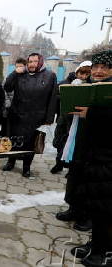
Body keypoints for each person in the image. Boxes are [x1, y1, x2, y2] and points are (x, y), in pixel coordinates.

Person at [67, 50, 112, 267]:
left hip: (108, 159)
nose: (99, 71)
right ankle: (96, 244)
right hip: (94, 156)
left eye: (104, 67)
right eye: (96, 67)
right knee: (96, 206)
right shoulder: (94, 88)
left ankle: (103, 253)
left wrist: (90, 114)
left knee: (105, 208)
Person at [2, 53, 58, 178]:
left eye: (35, 61)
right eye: (30, 61)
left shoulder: (50, 76)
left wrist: (49, 118)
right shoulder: (20, 74)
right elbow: (7, 87)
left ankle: (26, 167)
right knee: (14, 141)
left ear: (41, 62)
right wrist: (14, 73)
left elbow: (53, 98)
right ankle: (11, 162)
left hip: (35, 117)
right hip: (17, 115)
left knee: (30, 144)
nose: (32, 64)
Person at [54, 61, 93, 232]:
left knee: (88, 178)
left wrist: (89, 113)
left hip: (91, 139)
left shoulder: (100, 90)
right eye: (81, 72)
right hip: (74, 131)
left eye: (88, 72)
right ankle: (73, 208)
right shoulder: (71, 85)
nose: (85, 75)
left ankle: (86, 215)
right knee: (74, 174)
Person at [51, 61, 92, 175]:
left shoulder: (90, 86)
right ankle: (58, 164)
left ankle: (71, 167)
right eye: (81, 73)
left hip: (79, 120)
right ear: (77, 72)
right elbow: (57, 95)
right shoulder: (66, 82)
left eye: (86, 74)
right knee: (60, 142)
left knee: (74, 144)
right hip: (64, 118)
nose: (83, 76)